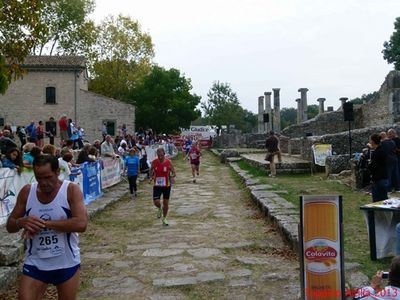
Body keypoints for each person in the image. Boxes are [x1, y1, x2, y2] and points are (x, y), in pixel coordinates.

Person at [5, 154, 88, 300]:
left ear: (57, 172)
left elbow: (81, 224)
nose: (43, 182)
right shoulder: (27, 192)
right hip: (36, 262)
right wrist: (21, 222)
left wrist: (43, 224)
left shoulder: (70, 190)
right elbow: (10, 225)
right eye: (39, 177)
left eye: (48, 177)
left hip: (66, 263)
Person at [150, 148, 176, 226]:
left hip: (166, 186)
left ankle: (164, 218)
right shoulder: (154, 162)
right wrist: (151, 176)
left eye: (161, 155)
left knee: (166, 203)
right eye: (158, 155)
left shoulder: (168, 162)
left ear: (164, 154)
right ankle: (159, 208)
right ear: (156, 155)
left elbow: (174, 173)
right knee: (156, 202)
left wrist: (171, 177)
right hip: (157, 185)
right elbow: (151, 171)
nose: (160, 157)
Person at [368, 133, 388, 202]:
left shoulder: (376, 153)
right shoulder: (382, 149)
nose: (370, 142)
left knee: (377, 201)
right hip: (384, 177)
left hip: (378, 179)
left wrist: (369, 164)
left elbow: (373, 166)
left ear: (373, 141)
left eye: (370, 140)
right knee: (383, 199)